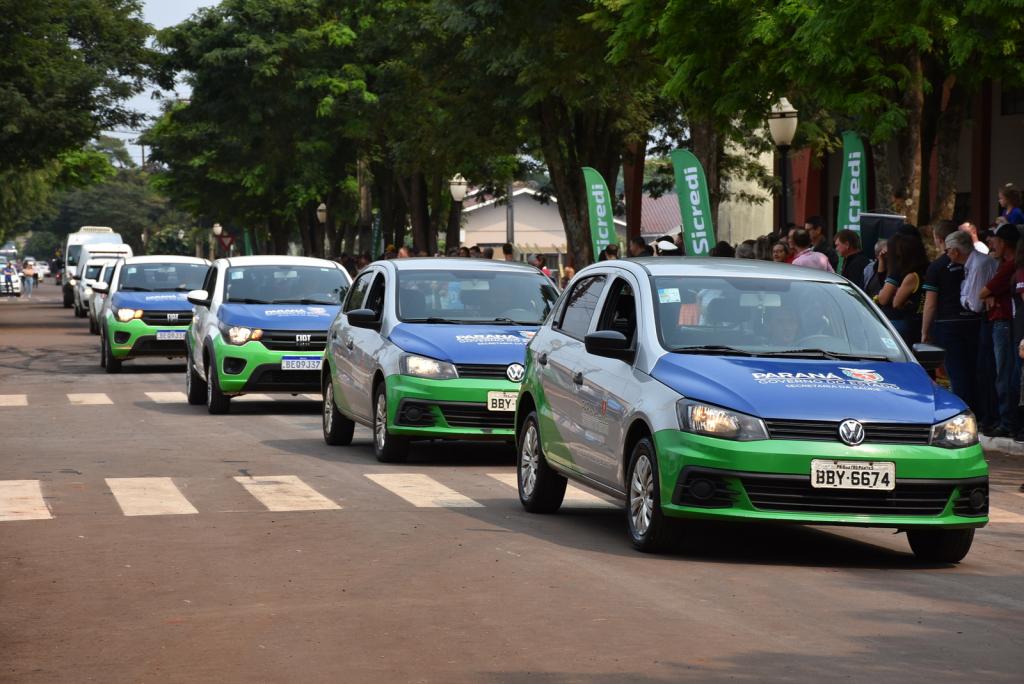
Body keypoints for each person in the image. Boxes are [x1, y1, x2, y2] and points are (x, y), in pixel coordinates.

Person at [922, 222, 979, 410]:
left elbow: (930, 304)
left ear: (939, 240)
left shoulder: (936, 267)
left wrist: (925, 332)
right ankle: (980, 410)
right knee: (976, 369)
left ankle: (962, 411)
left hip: (948, 323)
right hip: (975, 321)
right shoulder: (974, 260)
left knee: (956, 372)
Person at [978, 223, 1019, 437]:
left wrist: (990, 294)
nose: (992, 244)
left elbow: (983, 292)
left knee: (1004, 373)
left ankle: (1006, 420)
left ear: (1004, 243)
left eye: (996, 241)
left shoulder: (1009, 266)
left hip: (1003, 323)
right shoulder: (1005, 264)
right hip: (1005, 323)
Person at [876, 233, 928, 345]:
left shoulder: (904, 274)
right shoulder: (924, 270)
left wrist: (888, 293)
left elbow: (885, 299)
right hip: (915, 321)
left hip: (899, 322)